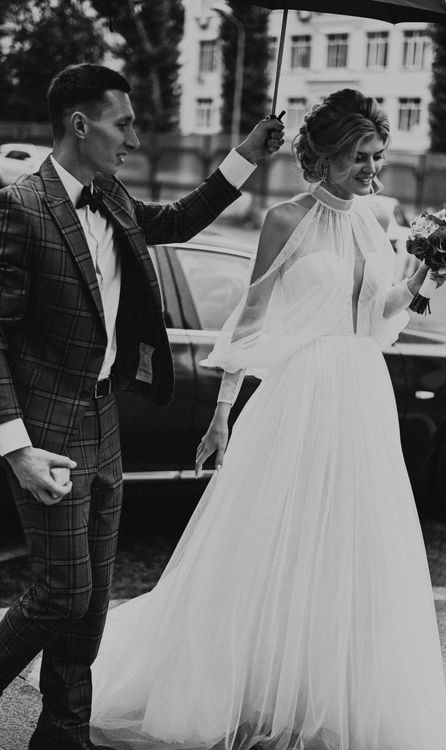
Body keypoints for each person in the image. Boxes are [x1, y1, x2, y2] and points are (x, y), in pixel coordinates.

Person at [89, 89, 446, 749]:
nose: (372, 169)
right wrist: (220, 416)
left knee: (349, 547)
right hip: (301, 397)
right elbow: (250, 321)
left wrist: (424, 278)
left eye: (377, 156)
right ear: (324, 156)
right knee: (269, 540)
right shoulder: (284, 221)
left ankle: (318, 688)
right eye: (360, 157)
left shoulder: (376, 219)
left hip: (360, 396)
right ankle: (245, 680)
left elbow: (377, 315)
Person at [0, 62, 284, 750]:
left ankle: (63, 735)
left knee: (93, 601)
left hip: (106, 421)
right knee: (62, 593)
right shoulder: (20, 206)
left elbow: (179, 218)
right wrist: (16, 446)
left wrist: (247, 154)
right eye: (123, 124)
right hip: (47, 430)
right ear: (80, 124)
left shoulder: (112, 195)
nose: (133, 138)